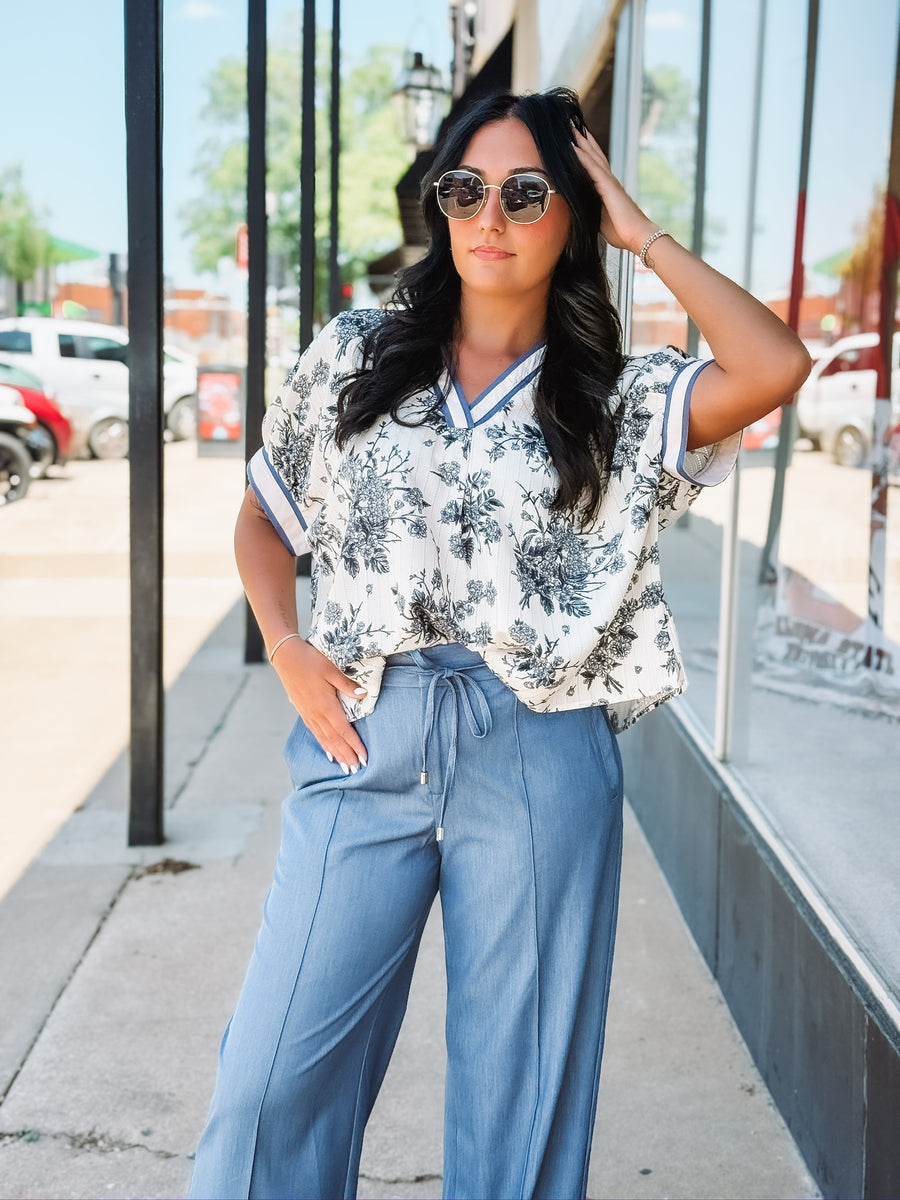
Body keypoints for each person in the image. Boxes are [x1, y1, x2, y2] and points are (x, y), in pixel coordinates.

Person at [189, 87, 810, 1200]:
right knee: (269, 1085)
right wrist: (284, 641)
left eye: (528, 194)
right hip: (363, 741)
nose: (490, 217)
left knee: (519, 1112)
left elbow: (772, 366)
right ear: (438, 204)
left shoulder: (619, 400)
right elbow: (262, 517)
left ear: (571, 216)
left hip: (541, 751)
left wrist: (642, 227)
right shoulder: (357, 355)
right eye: (464, 189)